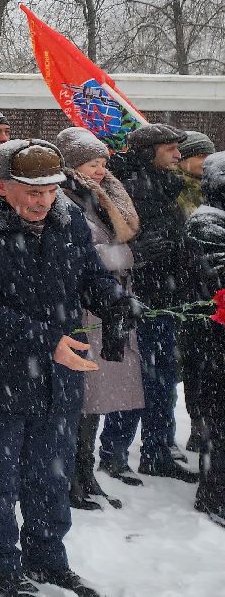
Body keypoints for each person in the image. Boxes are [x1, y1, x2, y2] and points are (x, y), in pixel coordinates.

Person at [0, 140, 133, 597]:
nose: (43, 201)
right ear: (0, 185)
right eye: (31, 192)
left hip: (59, 375)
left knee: (50, 474)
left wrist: (116, 301)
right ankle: (0, 568)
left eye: (51, 190)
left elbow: (89, 275)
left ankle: (48, 557)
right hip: (0, 375)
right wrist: (43, 340)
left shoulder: (69, 220)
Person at [100, 123, 198, 484]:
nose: (177, 154)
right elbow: (114, 245)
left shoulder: (169, 186)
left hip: (168, 298)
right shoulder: (128, 188)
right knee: (134, 381)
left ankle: (157, 449)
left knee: (163, 381)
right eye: (170, 148)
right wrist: (139, 259)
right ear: (148, 151)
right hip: (139, 300)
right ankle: (114, 452)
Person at [56, 127, 145, 511]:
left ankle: (85, 471)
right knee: (82, 393)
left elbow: (116, 247)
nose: (101, 169)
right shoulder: (63, 198)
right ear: (74, 164)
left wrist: (116, 256)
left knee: (96, 394)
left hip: (107, 302)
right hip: (83, 306)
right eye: (94, 163)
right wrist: (117, 256)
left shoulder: (100, 195)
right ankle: (71, 476)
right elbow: (89, 254)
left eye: (103, 162)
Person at [183, 151, 225, 527]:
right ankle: (214, 494)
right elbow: (217, 275)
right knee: (219, 419)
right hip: (212, 338)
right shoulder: (207, 222)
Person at [176, 130, 214, 451]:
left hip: (208, 295)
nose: (204, 163)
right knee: (195, 367)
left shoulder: (212, 191)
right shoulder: (177, 193)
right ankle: (198, 425)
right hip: (189, 294)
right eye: (198, 156)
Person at [176, 131, 214, 219]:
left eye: (210, 156)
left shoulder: (215, 187)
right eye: (201, 156)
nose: (208, 161)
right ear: (182, 159)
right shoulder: (170, 187)